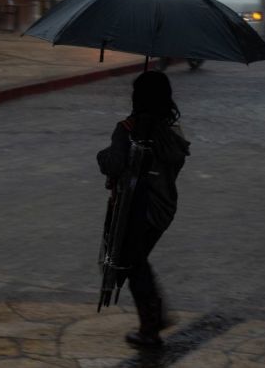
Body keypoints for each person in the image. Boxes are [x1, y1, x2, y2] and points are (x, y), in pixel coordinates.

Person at [96, 71, 191, 347]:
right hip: (163, 209)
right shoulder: (171, 132)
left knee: (131, 263)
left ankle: (151, 325)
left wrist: (102, 156)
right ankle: (154, 317)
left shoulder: (128, 129)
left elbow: (113, 164)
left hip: (134, 209)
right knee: (137, 261)